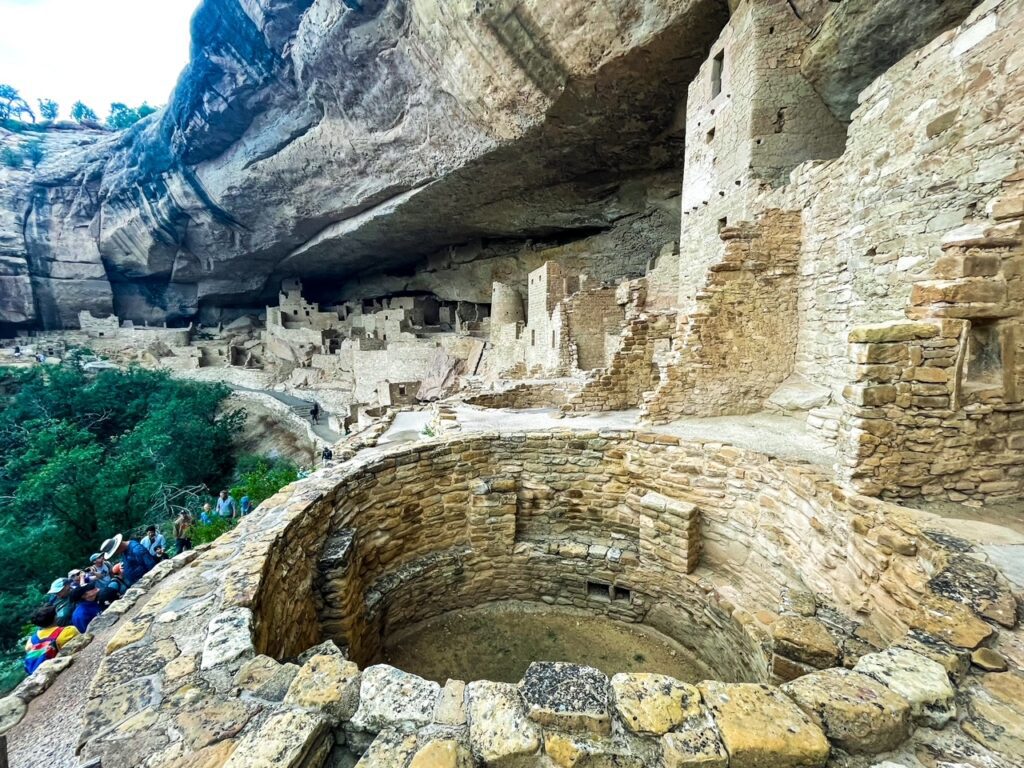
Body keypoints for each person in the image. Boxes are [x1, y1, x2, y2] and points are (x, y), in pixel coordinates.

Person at [23, 605, 78, 674]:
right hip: (65, 668)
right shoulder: (69, 631)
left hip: (42, 672)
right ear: (55, 618)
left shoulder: (31, 640)